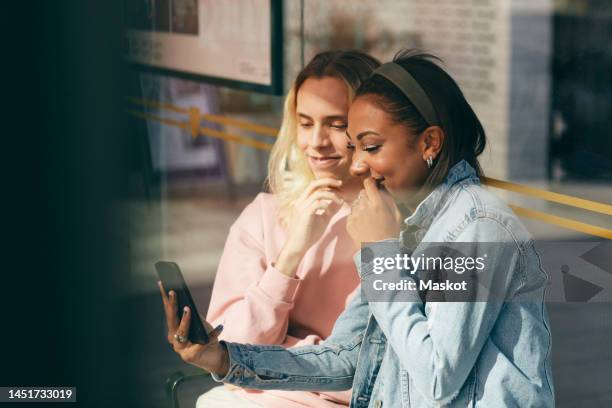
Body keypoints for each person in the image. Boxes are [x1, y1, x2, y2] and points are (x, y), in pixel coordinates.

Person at [159, 50, 555, 407]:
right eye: (356, 146)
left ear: (429, 142)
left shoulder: (477, 228)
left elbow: (438, 375)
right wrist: (224, 357)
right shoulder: (410, 222)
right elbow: (347, 356)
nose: (358, 164)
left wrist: (381, 249)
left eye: (371, 146)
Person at [163, 50, 380, 408]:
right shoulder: (264, 215)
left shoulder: (393, 225)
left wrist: (283, 352)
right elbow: (229, 351)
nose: (316, 142)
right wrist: (291, 254)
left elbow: (372, 371)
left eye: (336, 124)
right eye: (305, 123)